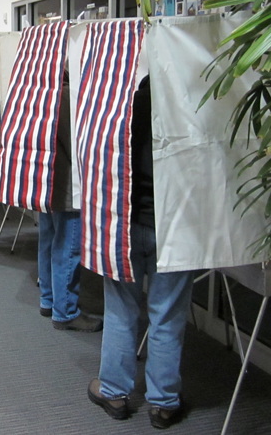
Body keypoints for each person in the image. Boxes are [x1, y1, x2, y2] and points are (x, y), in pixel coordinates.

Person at [87, 75, 195, 429]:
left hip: (127, 225)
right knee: (167, 315)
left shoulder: (121, 110)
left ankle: (115, 393)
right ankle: (163, 404)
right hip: (173, 228)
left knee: (121, 309)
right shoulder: (188, 111)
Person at [38, 70, 103, 333]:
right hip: (66, 188)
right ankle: (65, 312)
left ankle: (48, 299)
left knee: (48, 240)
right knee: (67, 248)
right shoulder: (66, 97)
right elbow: (80, 144)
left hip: (45, 183)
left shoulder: (41, 93)